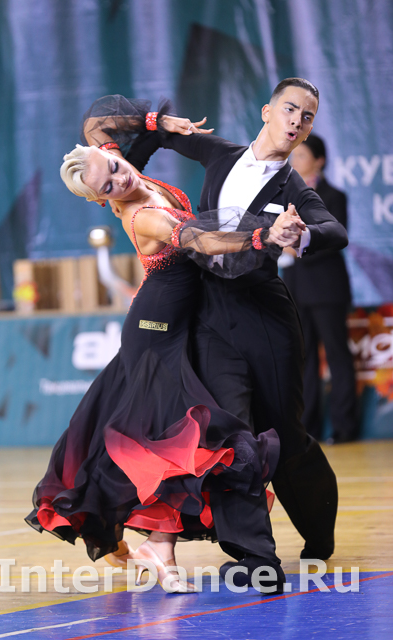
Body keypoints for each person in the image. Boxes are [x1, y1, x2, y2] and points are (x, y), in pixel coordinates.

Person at [25, 98, 304, 593]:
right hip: (157, 333)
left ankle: (160, 547)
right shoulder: (143, 215)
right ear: (100, 200)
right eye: (108, 186)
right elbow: (204, 241)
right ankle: (137, 537)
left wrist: (155, 122)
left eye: (115, 166)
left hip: (178, 323)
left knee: (172, 442)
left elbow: (97, 121)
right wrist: (266, 235)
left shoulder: (119, 165)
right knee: (169, 442)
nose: (120, 179)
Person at [123, 78, 349, 585]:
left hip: (265, 316)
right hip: (209, 314)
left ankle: (318, 529)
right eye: (290, 109)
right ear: (267, 111)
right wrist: (147, 145)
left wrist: (300, 233)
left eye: (307, 116)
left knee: (284, 434)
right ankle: (254, 557)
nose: (297, 121)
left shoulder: (293, 187)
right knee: (229, 435)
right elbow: (149, 139)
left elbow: (335, 231)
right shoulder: (221, 155)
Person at [282, 134, 357, 443]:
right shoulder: (287, 198)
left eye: (301, 155)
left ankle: (345, 428)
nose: (295, 161)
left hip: (327, 289)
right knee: (304, 359)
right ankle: (308, 429)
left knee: (337, 355)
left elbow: (335, 239)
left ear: (319, 161)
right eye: (293, 156)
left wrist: (297, 248)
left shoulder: (333, 196)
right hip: (296, 290)